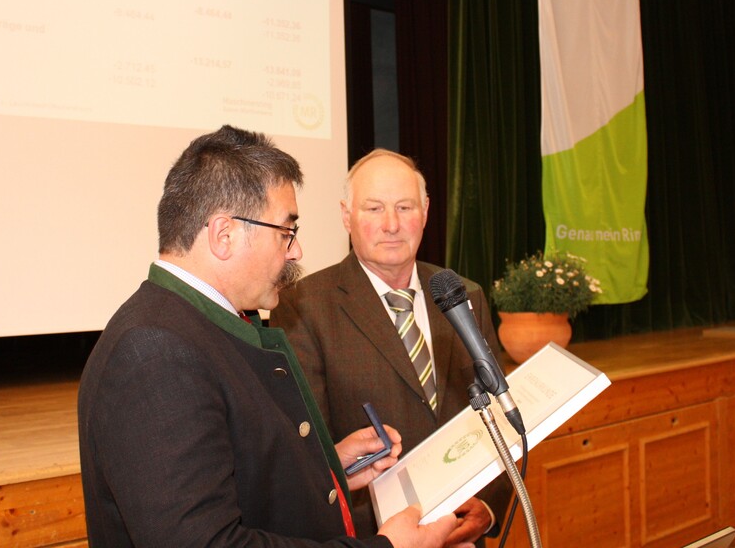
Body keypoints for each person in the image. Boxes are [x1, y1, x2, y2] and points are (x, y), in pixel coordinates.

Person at [78, 126, 465, 548]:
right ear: (224, 235)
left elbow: (236, 482)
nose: (296, 251)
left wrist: (327, 468)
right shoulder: (155, 355)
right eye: (286, 232)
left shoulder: (191, 328)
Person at [272, 149, 511, 546]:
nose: (392, 225)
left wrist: (488, 510)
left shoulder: (464, 295)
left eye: (404, 207)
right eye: (374, 209)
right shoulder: (302, 306)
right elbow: (307, 456)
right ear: (347, 216)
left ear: (426, 211)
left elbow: (502, 418)